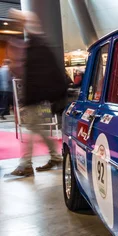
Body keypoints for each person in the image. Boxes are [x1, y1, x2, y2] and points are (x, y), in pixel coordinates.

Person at [8, 9, 69, 177]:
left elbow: (38, 75)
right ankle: (55, 157)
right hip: (37, 96)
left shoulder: (35, 45)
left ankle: (26, 164)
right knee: (36, 129)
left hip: (36, 97)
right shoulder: (33, 44)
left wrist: (32, 97)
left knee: (32, 130)